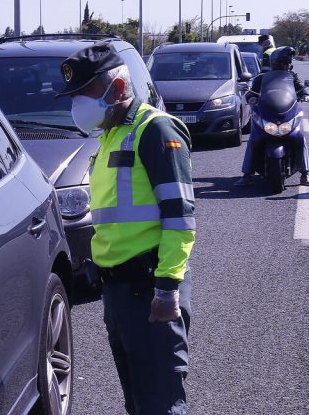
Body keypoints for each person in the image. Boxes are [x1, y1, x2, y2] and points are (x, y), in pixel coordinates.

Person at [58, 42, 195, 414]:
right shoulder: (109, 135)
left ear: (117, 89)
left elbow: (180, 216)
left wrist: (168, 288)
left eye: (83, 94)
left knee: (160, 402)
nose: (76, 106)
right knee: (137, 400)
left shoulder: (155, 130)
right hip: (118, 291)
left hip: (150, 289)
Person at [236, 46, 309, 186]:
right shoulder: (261, 78)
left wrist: (306, 94)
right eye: (286, 62)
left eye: (289, 62)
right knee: (253, 140)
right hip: (266, 113)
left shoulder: (292, 77)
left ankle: (305, 174)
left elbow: (301, 88)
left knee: (300, 138)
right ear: (277, 63)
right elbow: (251, 92)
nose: (289, 65)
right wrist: (251, 98)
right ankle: (247, 174)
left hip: (287, 113)